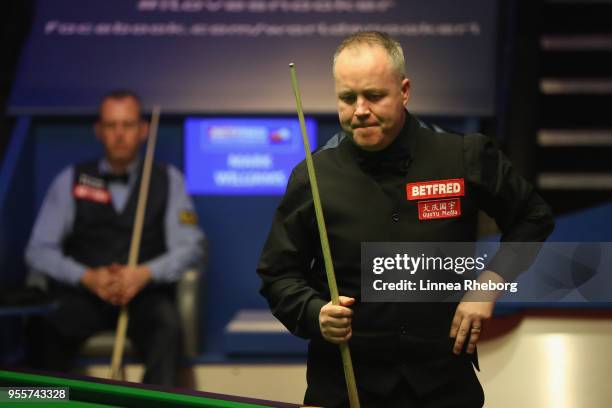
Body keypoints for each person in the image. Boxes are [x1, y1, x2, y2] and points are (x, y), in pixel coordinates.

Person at [257, 32, 554, 407]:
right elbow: (277, 274)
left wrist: (489, 283)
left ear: (404, 90)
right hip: (346, 388)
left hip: (443, 388)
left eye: (374, 96)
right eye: (347, 98)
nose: (360, 109)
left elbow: (533, 217)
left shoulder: (463, 157)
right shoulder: (313, 177)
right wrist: (315, 313)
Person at [25, 90, 206, 386]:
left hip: (144, 297)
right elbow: (38, 250)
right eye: (111, 126)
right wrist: (87, 277)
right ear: (99, 131)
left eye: (128, 125)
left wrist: (144, 274)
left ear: (144, 130)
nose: (120, 134)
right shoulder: (71, 179)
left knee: (167, 325)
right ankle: (49, 403)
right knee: (43, 327)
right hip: (84, 297)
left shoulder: (168, 179)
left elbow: (190, 245)